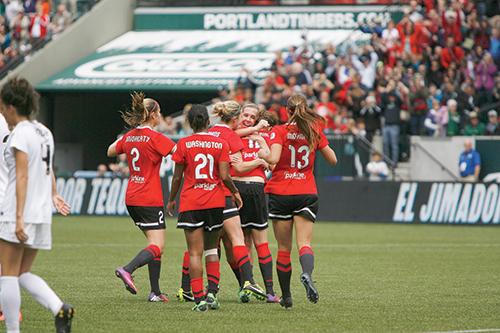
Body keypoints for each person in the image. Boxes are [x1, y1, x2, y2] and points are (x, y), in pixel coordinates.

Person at [176, 100, 268, 304]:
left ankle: (188, 289)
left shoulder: (202, 137)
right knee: (235, 239)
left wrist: (172, 198)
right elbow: (238, 169)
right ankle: (247, 281)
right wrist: (259, 162)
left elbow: (177, 175)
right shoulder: (228, 139)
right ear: (234, 119)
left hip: (193, 198)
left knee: (198, 247)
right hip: (221, 195)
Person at [0, 77, 72, 333]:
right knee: (22, 273)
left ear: (10, 106)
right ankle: (59, 307)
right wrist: (53, 193)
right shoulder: (44, 130)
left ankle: (12, 331)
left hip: (19, 211)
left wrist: (18, 216)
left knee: (7, 274)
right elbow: (47, 167)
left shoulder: (19, 132)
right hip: (42, 213)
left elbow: (21, 176)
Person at [258, 93, 338, 308]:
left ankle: (286, 297)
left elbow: (273, 159)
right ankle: (306, 273)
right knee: (304, 244)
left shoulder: (279, 130)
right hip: (306, 191)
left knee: (284, 248)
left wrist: (260, 151)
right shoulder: (313, 130)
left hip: (281, 192)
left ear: (287, 111)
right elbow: (333, 160)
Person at [166, 104, 243, 311]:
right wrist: (235, 192)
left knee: (194, 253)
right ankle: (211, 294)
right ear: (208, 122)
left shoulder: (183, 143)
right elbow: (225, 176)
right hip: (216, 201)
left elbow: (177, 178)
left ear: (190, 124)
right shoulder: (221, 144)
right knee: (211, 249)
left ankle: (198, 298)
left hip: (191, 202)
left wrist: (172, 199)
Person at [107, 92, 176, 302]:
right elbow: (179, 153)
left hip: (132, 197)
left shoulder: (130, 136)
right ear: (153, 115)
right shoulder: (156, 137)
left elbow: (110, 151)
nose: (161, 116)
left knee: (153, 245)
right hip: (149, 197)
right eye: (160, 112)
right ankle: (127, 269)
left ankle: (155, 292)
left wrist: (129, 139)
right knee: (158, 246)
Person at [232, 105, 280, 303]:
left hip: (256, 190)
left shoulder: (261, 137)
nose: (248, 119)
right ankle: (247, 285)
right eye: (245, 115)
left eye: (252, 117)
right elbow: (240, 167)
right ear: (239, 116)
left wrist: (261, 142)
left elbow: (272, 164)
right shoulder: (233, 134)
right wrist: (260, 160)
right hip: (237, 190)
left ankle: (269, 291)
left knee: (260, 242)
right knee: (244, 242)